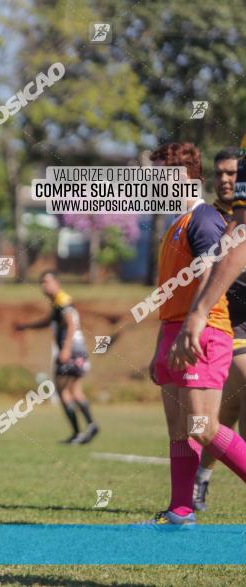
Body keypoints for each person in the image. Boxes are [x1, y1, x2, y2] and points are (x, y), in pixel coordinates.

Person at [150, 142, 246, 525]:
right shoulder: (175, 223)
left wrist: (195, 322)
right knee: (179, 431)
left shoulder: (204, 219)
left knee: (203, 427)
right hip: (174, 330)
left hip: (203, 330)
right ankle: (180, 511)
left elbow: (213, 271)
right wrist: (161, 344)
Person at [176, 148, 246, 511]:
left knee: (222, 417)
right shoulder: (208, 219)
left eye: (232, 173)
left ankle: (201, 477)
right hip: (225, 320)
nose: (225, 179)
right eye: (219, 173)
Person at [15, 272, 98, 444]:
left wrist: (66, 349)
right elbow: (48, 321)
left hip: (72, 350)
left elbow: (71, 323)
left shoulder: (62, 299)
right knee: (74, 390)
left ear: (56, 282)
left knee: (63, 391)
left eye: (46, 282)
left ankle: (78, 432)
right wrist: (26, 326)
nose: (43, 286)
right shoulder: (58, 302)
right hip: (79, 350)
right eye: (41, 282)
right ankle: (90, 426)